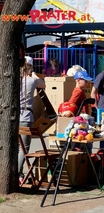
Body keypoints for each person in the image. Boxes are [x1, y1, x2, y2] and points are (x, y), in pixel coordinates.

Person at [18, 56, 46, 184]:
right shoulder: (31, 80)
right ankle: (18, 174)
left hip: (14, 116)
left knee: (14, 147)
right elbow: (43, 85)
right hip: (26, 117)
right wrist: (34, 74)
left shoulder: (14, 79)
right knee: (23, 148)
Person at [69, 70, 93, 153]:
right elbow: (71, 104)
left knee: (82, 143)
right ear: (78, 81)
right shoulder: (78, 91)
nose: (87, 83)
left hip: (82, 120)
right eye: (85, 81)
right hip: (81, 121)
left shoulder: (79, 91)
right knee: (86, 143)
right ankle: (87, 161)